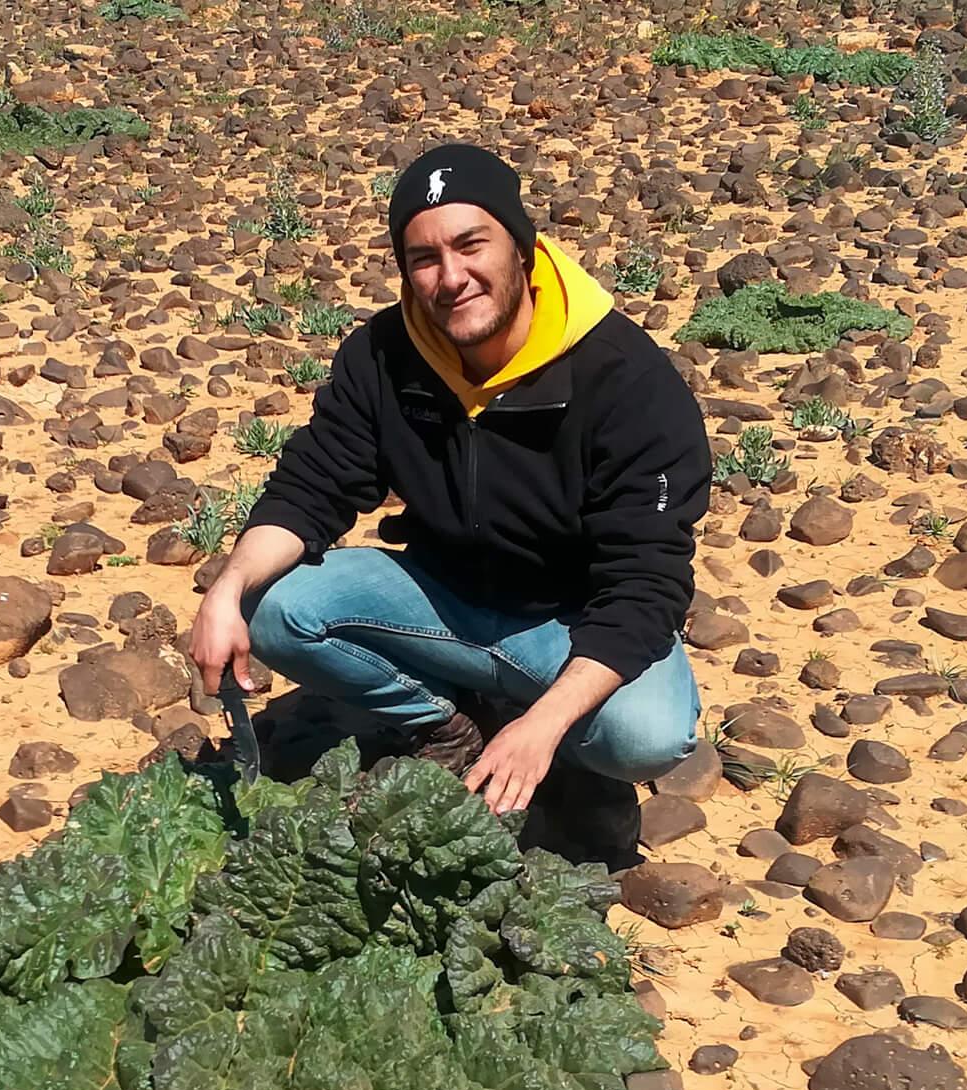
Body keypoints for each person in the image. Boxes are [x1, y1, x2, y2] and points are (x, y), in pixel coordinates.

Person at [188, 142, 711, 870]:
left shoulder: (628, 382)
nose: (451, 277)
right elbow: (313, 486)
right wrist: (227, 587)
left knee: (643, 736)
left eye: (472, 245)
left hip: (571, 621)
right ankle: (445, 725)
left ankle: (568, 768)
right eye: (424, 258)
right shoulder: (384, 355)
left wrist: (544, 724)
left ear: (522, 249)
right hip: (445, 599)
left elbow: (646, 583)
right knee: (271, 605)